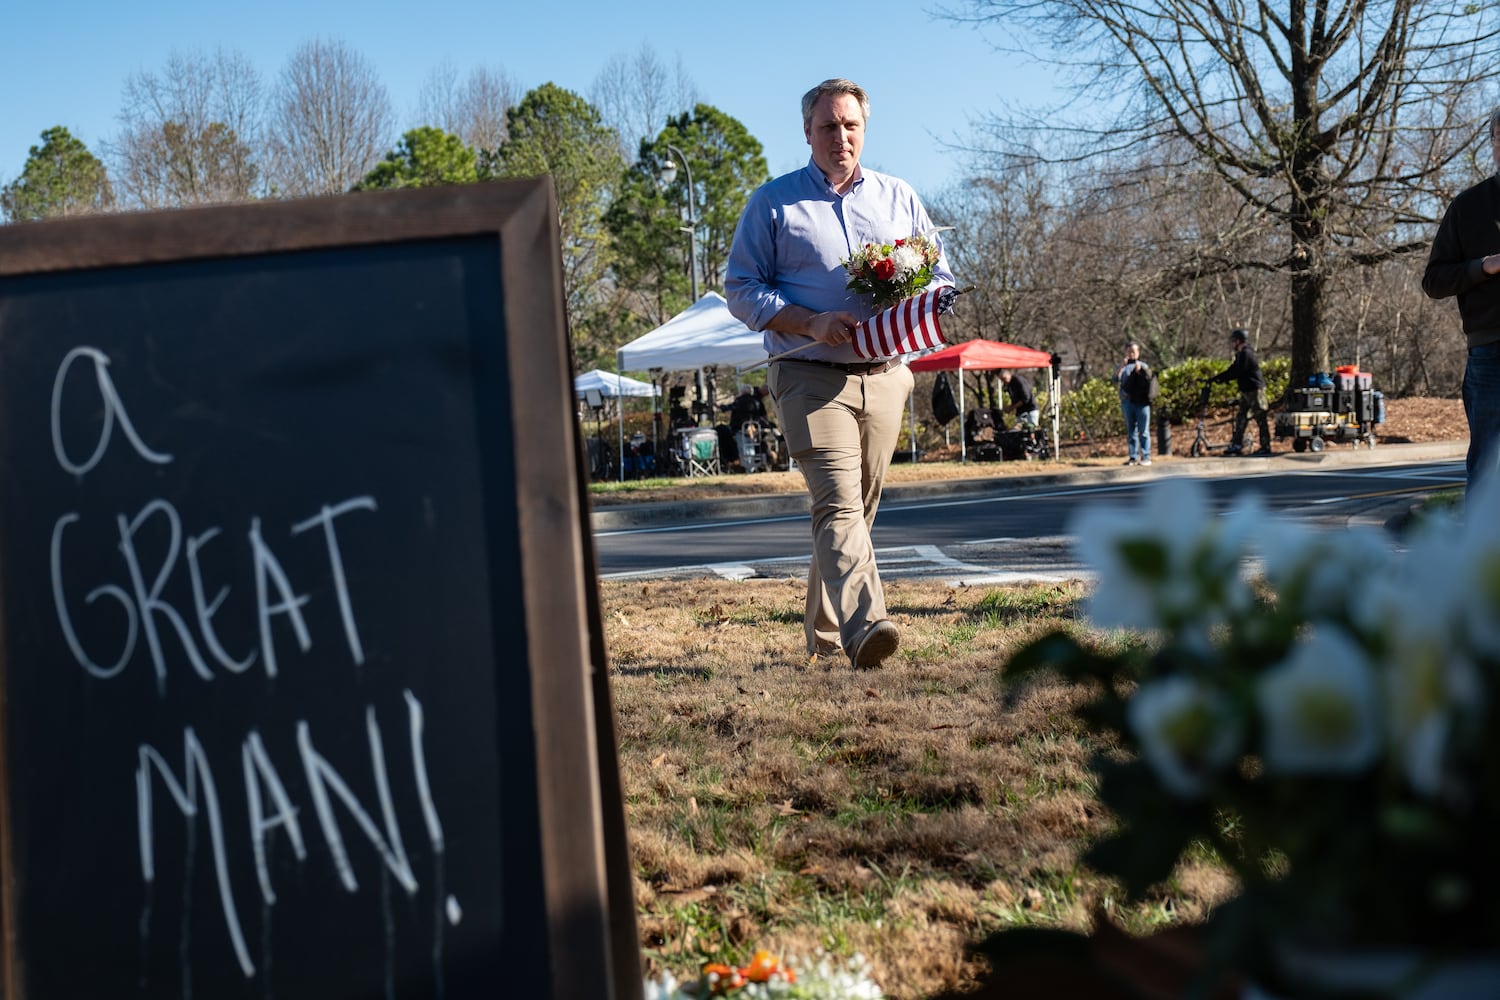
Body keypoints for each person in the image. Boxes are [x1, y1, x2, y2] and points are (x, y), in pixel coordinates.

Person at [725, 78, 955, 669]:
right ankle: (867, 627)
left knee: (853, 510)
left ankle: (825, 638)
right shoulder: (773, 203)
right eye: (828, 125)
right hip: (808, 374)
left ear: (864, 129)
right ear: (807, 132)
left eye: (850, 125)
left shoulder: (898, 196)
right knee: (837, 503)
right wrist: (808, 321)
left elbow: (938, 275)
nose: (840, 136)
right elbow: (741, 289)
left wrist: (923, 297)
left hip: (886, 373)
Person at [1422, 107, 1500, 490]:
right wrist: (1482, 267)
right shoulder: (1469, 207)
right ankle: (1481, 548)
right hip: (1491, 353)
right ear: (1492, 143)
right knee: (1486, 469)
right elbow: (1433, 281)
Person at [1209, 328, 1271, 455]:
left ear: (1238, 341)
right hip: (1246, 392)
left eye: (1233, 341)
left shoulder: (1247, 354)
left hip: (1255, 391)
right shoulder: (1241, 354)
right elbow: (1232, 369)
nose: (1232, 344)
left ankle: (1266, 446)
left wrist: (1224, 378)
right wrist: (1217, 378)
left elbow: (1238, 372)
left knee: (1260, 418)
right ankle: (1237, 445)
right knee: (1241, 418)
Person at [1116, 343, 1152, 466]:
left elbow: (1149, 381)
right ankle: (1133, 456)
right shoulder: (1123, 368)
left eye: (1134, 351)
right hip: (1127, 402)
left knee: (1144, 431)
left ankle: (1146, 456)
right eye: (1129, 351)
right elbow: (1115, 379)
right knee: (1131, 431)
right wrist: (1122, 366)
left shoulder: (1143, 366)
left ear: (1138, 353)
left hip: (1142, 403)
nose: (1131, 353)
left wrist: (1140, 372)